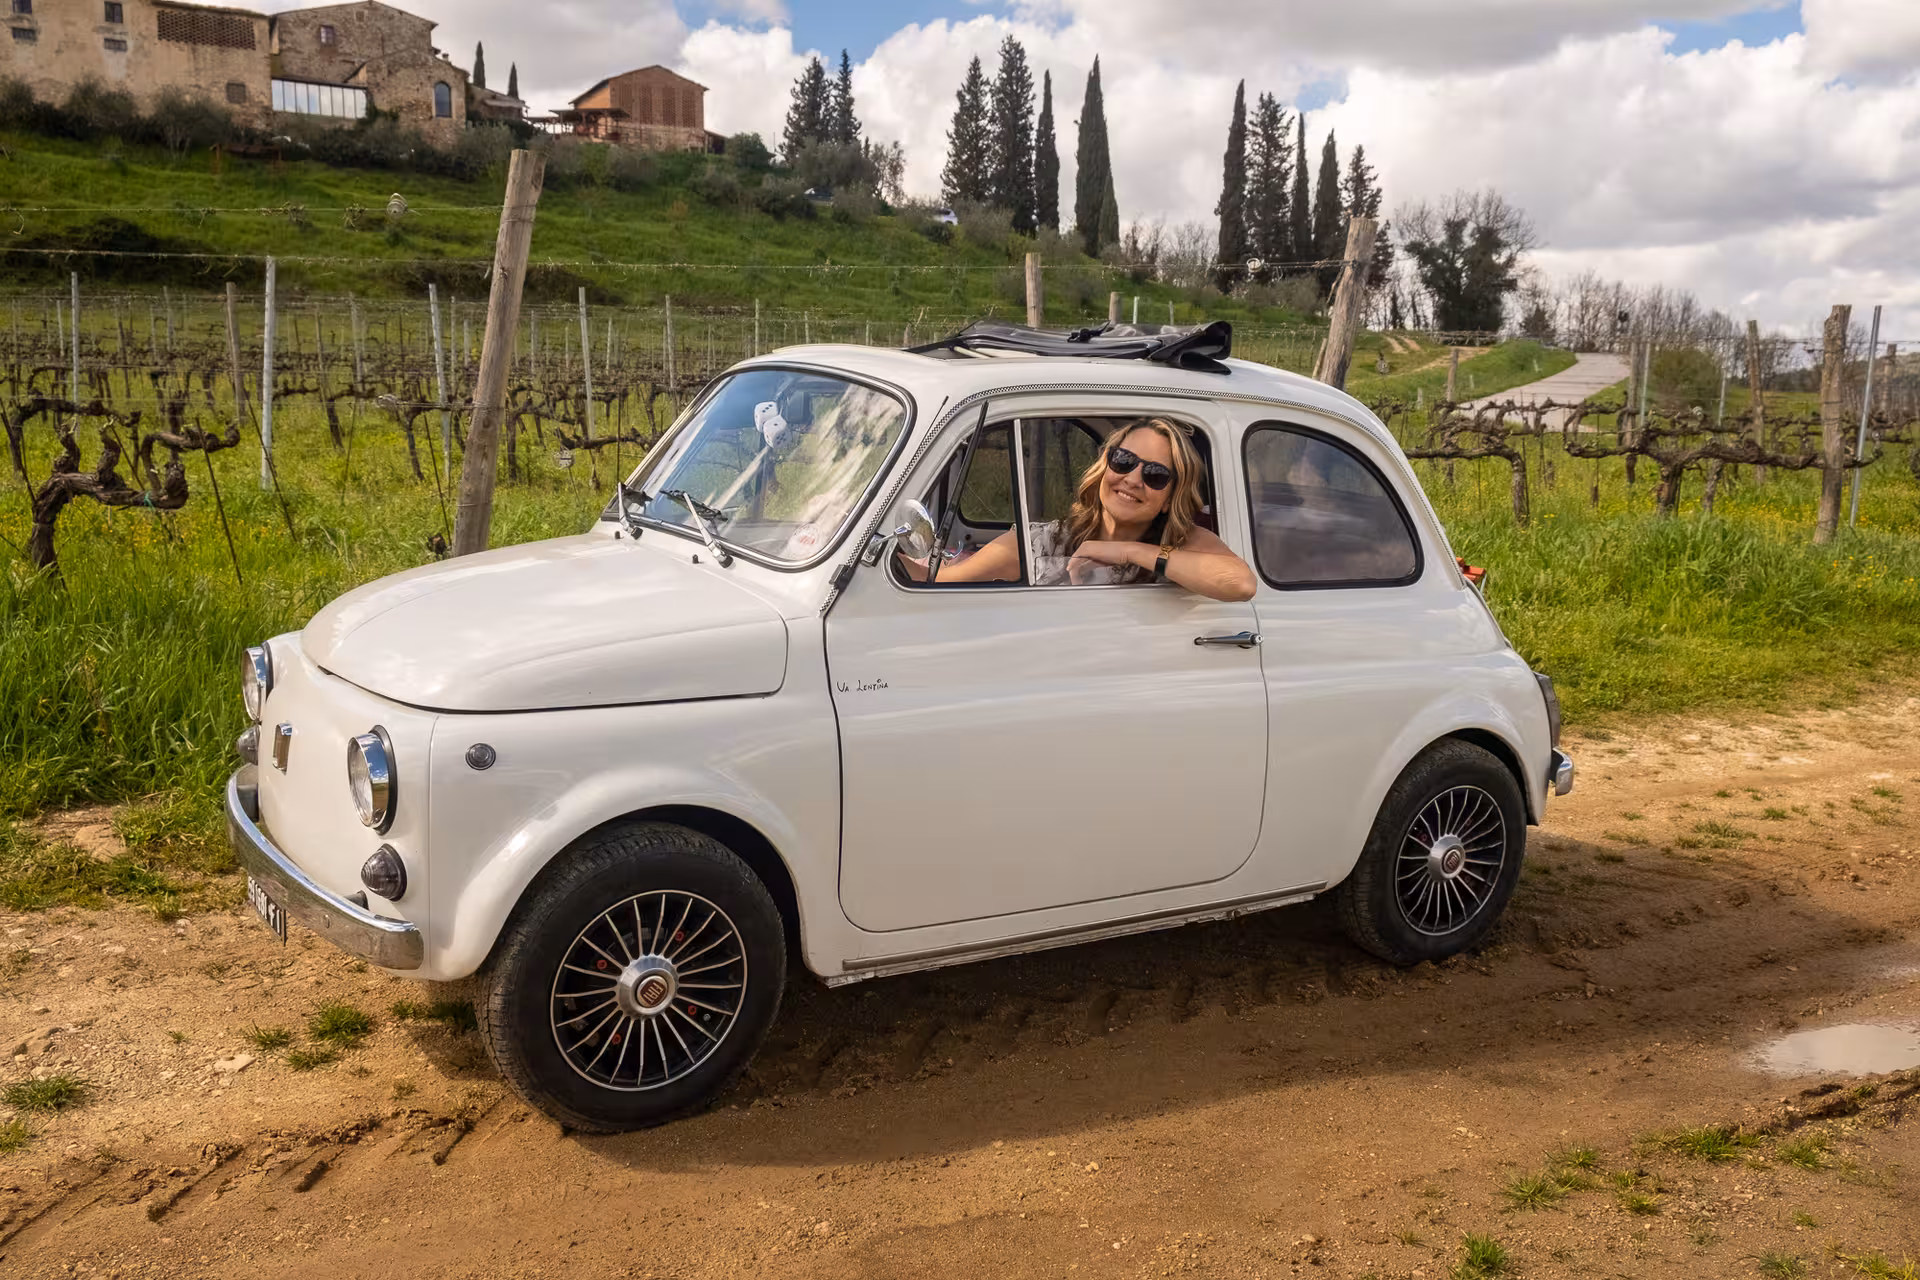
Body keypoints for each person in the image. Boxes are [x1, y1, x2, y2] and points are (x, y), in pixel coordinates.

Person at [900, 418, 1257, 602]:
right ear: (1106, 465)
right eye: (1124, 460)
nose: (1133, 479)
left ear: (1170, 497)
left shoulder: (1179, 543)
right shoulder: (1044, 543)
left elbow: (1239, 583)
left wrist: (1130, 551)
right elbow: (937, 582)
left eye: (1155, 474)